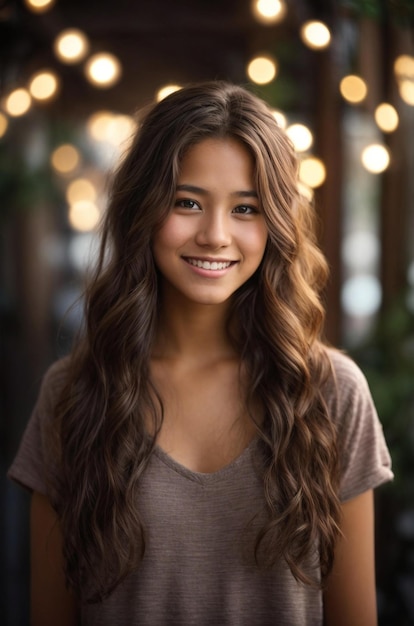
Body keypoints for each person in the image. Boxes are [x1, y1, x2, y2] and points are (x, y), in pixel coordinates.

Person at [8, 81, 393, 626]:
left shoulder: (330, 392)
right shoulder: (72, 393)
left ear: (277, 224)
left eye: (246, 208)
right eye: (187, 202)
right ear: (143, 208)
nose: (215, 234)